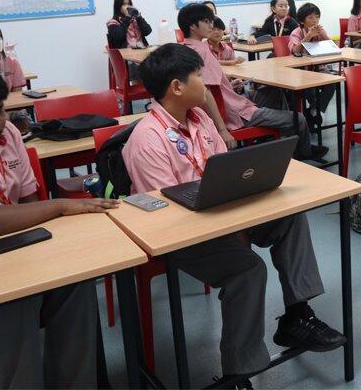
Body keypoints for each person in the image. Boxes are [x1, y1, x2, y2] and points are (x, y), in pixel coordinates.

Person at [121, 44, 345, 383]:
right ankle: (238, 371)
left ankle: (297, 316)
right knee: (249, 269)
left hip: (224, 211)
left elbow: (227, 169)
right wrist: (231, 221)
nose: (206, 82)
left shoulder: (200, 121)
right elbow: (165, 216)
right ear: (177, 87)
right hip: (184, 236)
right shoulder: (146, 140)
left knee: (291, 216)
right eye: (198, 75)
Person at [0, 64, 119, 389]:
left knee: (77, 281)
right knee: (15, 301)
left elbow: (29, 202)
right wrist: (58, 205)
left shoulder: (9, 135)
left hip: (15, 249)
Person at [178, 3, 326, 161]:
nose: (211, 25)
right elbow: (206, 92)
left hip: (231, 99)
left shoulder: (186, 48)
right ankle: (303, 154)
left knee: (275, 92)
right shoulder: (203, 51)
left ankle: (284, 138)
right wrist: (222, 130)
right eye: (206, 22)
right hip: (234, 111)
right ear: (192, 26)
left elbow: (211, 87)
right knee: (299, 119)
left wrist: (228, 86)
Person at [286, 3, 336, 127]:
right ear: (302, 21)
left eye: (317, 17)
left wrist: (323, 34)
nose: (315, 20)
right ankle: (313, 111)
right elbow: (295, 50)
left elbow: (332, 47)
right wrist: (308, 36)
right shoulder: (296, 32)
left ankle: (314, 110)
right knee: (310, 87)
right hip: (302, 71)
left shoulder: (320, 30)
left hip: (319, 68)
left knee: (332, 81)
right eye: (311, 17)